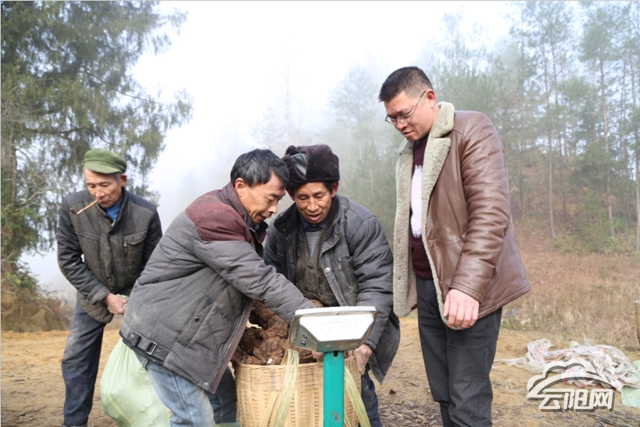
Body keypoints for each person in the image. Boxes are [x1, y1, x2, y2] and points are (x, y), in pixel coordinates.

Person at [379, 66, 531, 427]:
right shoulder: (410, 151)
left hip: (467, 287)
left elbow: (491, 212)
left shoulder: (470, 129)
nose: (400, 124)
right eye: (392, 118)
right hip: (429, 285)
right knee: (444, 391)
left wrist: (466, 287)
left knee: (467, 398)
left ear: (429, 98)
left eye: (404, 114)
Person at [120, 148, 316, 427]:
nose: (274, 209)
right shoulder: (214, 218)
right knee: (193, 419)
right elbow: (260, 280)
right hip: (165, 338)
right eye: (270, 198)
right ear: (241, 185)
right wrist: (315, 325)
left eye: (278, 201)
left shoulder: (238, 220)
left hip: (193, 337)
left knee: (223, 402)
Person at [264, 144, 400, 427]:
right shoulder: (280, 230)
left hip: (352, 327)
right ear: (291, 195)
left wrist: (364, 342)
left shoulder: (361, 224)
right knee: (304, 403)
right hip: (304, 326)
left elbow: (377, 284)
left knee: (359, 396)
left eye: (319, 196)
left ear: (334, 189)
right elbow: (271, 284)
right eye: (302, 198)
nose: (312, 206)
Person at [58, 148, 163, 427]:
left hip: (137, 297)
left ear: (122, 180)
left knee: (153, 356)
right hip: (93, 296)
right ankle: (74, 423)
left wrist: (135, 300)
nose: (98, 193)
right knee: (76, 360)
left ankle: (153, 419)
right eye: (91, 185)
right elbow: (68, 260)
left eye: (104, 185)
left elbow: (155, 266)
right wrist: (104, 296)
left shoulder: (145, 213)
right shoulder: (72, 208)